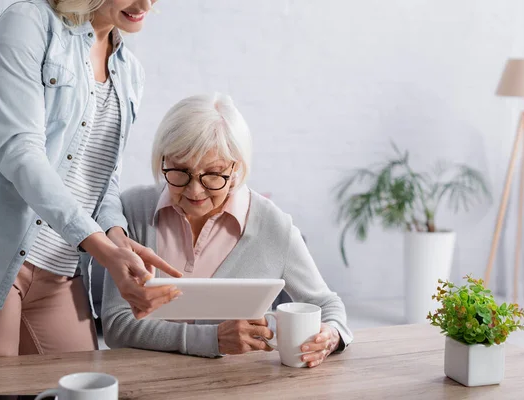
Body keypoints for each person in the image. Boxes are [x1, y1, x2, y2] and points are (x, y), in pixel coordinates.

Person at [0, 0, 182, 361]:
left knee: (86, 387)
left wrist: (117, 238)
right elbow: (20, 152)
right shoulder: (28, 23)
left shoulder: (130, 72)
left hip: (62, 265)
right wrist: (102, 248)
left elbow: (103, 177)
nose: (145, 4)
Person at [101, 93, 353, 368]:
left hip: (236, 385)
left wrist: (330, 336)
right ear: (163, 159)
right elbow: (116, 325)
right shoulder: (134, 210)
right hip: (148, 381)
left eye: (213, 174)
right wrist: (211, 340)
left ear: (236, 168)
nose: (194, 190)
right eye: (180, 171)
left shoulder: (273, 226)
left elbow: (327, 305)